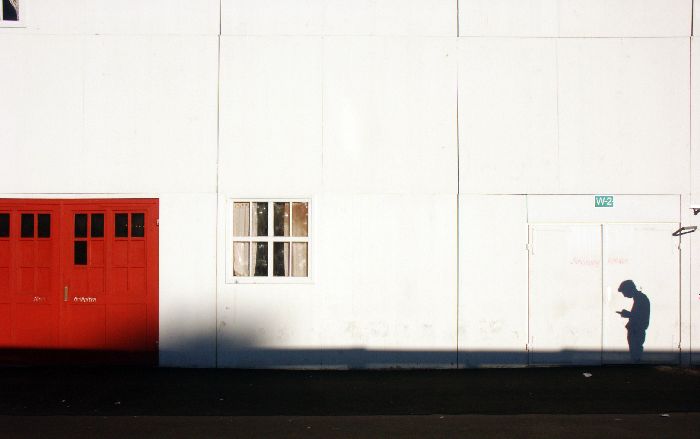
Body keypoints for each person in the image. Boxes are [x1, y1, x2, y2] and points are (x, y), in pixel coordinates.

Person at [616, 280, 650, 363]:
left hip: (636, 329)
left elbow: (639, 316)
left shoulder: (640, 298)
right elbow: (639, 314)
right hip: (636, 329)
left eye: (624, 292)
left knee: (635, 351)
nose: (624, 295)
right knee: (636, 351)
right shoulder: (640, 298)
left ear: (629, 289)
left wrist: (627, 314)